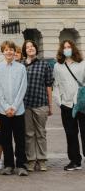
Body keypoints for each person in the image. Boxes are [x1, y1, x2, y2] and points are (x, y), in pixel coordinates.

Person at [0, 40, 28, 176]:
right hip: (3, 110)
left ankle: (21, 165)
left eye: (11, 49)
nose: (9, 52)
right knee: (5, 139)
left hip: (18, 110)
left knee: (20, 139)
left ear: (15, 52)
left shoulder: (21, 68)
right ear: (3, 51)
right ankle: (8, 165)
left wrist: (14, 106)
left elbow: (22, 88)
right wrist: (7, 107)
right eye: (6, 49)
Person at [52, 38, 85, 171]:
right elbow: (56, 85)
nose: (67, 49)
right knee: (70, 133)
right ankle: (75, 160)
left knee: (84, 133)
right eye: (65, 47)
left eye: (69, 47)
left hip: (82, 104)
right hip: (66, 104)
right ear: (62, 50)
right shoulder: (57, 66)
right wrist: (59, 102)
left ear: (73, 48)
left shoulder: (82, 64)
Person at [23, 39, 53, 172]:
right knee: (29, 134)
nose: (30, 48)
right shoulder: (20, 65)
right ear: (24, 50)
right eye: (27, 47)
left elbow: (49, 86)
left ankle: (42, 159)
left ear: (36, 48)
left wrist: (50, 105)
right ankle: (31, 160)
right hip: (25, 105)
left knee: (41, 133)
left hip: (41, 103)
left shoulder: (44, 64)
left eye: (32, 46)